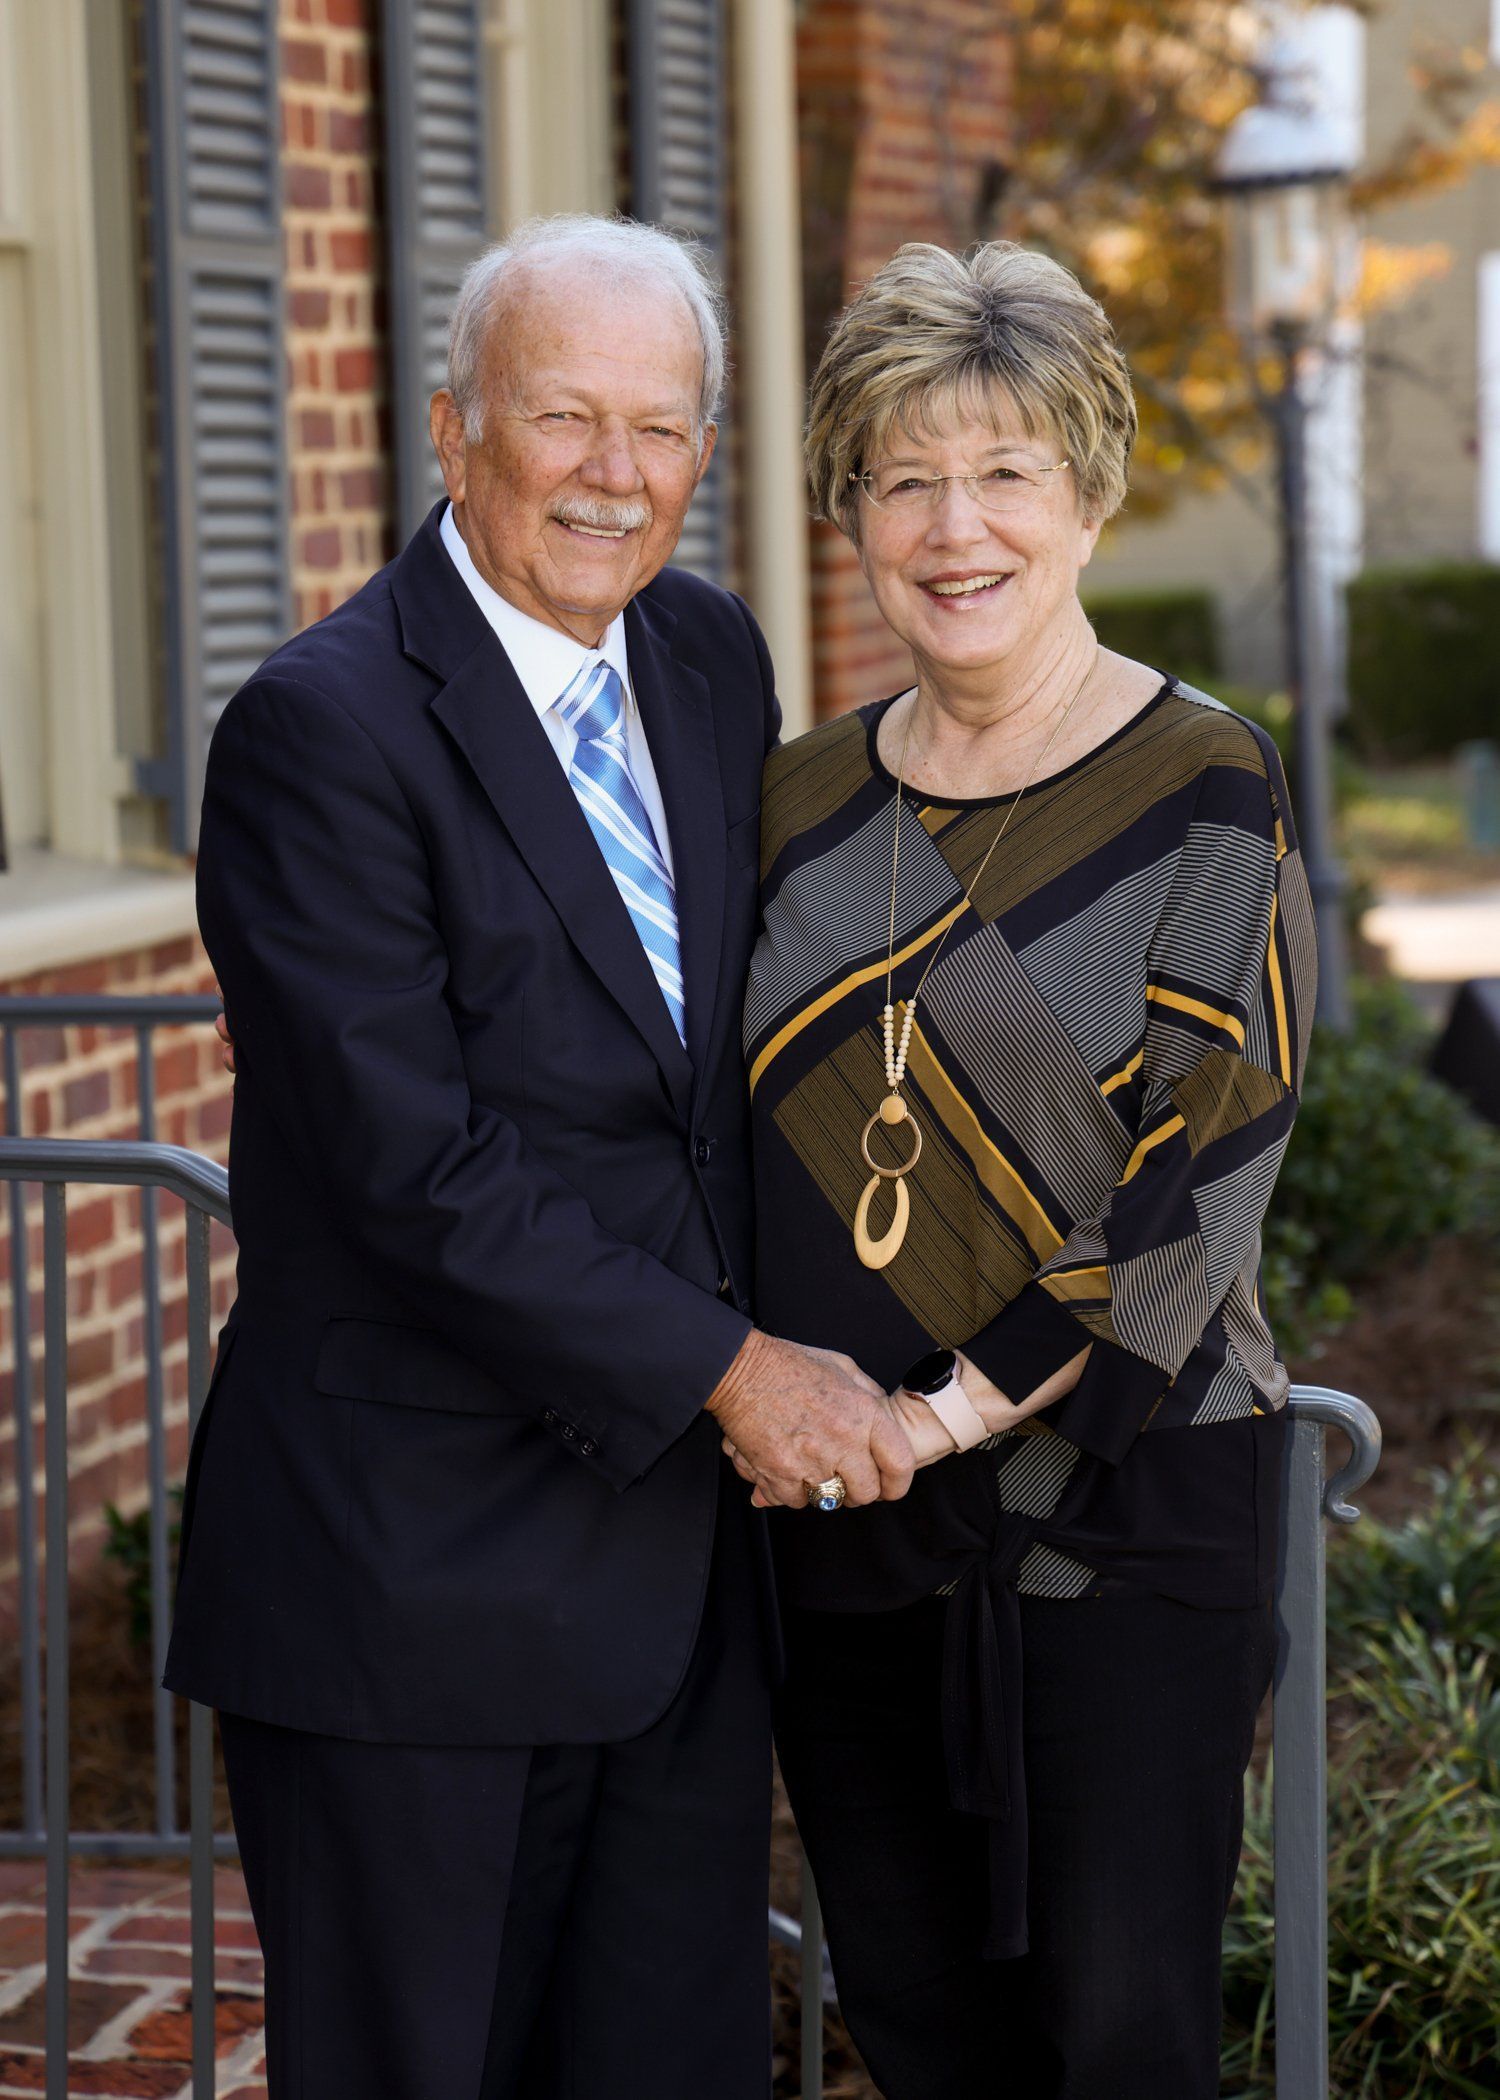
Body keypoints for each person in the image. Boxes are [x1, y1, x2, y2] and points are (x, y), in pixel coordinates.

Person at [165, 214, 917, 2100]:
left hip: (673, 1587)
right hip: (410, 1581)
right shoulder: (319, 734)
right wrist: (741, 1373)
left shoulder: (708, 659)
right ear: (451, 430)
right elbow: (413, 1170)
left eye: (661, 430)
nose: (614, 474)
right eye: (563, 418)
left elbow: (725, 1081)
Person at [734, 240, 1317, 2100]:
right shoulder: (798, 800)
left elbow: (1188, 1189)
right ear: (851, 511)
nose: (953, 525)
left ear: (1089, 493)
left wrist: (939, 1415)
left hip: (1116, 1531)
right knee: (915, 2034)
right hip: (842, 1531)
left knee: (1119, 2044)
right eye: (903, 478)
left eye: (1005, 472)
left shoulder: (1208, 786)